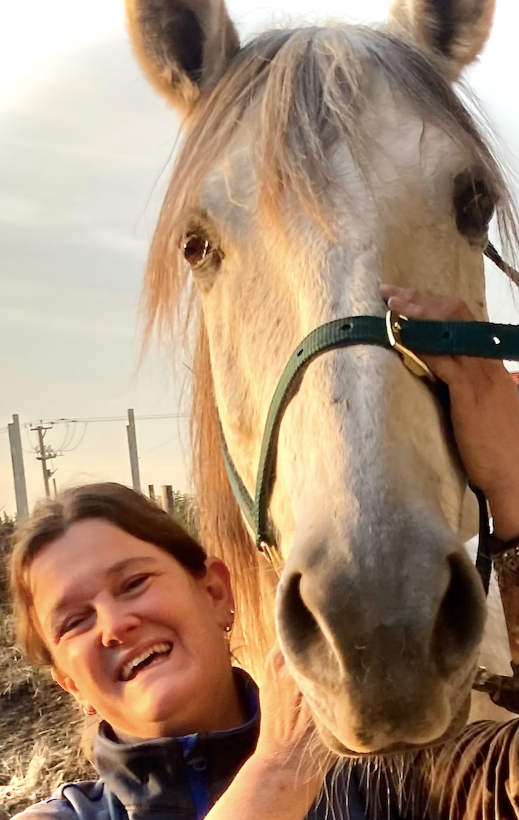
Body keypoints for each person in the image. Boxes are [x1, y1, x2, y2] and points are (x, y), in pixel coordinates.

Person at [8, 286, 519, 820]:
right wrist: (276, 768)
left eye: (134, 583)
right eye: (74, 622)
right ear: (70, 683)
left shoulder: (391, 781)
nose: (114, 624)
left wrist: (511, 481)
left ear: (215, 593)